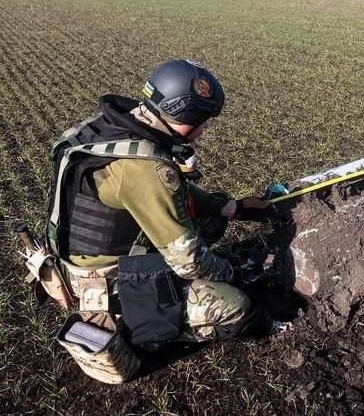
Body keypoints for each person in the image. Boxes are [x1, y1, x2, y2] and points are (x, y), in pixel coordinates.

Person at [46, 59, 270, 349]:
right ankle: (136, 320)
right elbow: (190, 261)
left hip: (71, 259)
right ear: (181, 112)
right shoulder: (146, 170)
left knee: (212, 219)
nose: (203, 130)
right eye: (201, 121)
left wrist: (226, 207)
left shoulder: (109, 128)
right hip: (108, 284)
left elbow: (172, 194)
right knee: (236, 307)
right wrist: (236, 274)